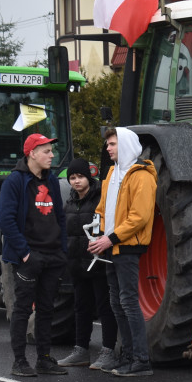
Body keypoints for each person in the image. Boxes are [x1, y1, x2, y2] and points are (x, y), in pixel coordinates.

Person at [0, 133, 69, 377]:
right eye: (46, 151)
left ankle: (44, 359)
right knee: (23, 309)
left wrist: (62, 250)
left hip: (52, 256)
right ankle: (19, 361)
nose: (52, 155)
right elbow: (6, 220)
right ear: (32, 154)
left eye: (51, 151)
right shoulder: (15, 181)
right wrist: (25, 254)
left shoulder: (52, 182)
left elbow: (60, 216)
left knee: (47, 309)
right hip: (28, 256)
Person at [88, 127, 157, 377]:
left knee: (127, 300)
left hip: (126, 245)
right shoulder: (112, 174)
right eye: (108, 144)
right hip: (111, 244)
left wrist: (109, 239)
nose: (108, 148)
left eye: (113, 144)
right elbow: (103, 208)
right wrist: (96, 233)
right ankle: (127, 355)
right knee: (117, 302)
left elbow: (139, 217)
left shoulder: (142, 176)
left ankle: (141, 359)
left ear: (126, 145)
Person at [56, 158, 120, 370]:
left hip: (98, 263)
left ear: (88, 177)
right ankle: (81, 350)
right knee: (80, 307)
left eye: (80, 177)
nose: (76, 181)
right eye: (72, 178)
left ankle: (108, 351)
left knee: (104, 307)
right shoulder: (70, 203)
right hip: (76, 264)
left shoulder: (100, 199)